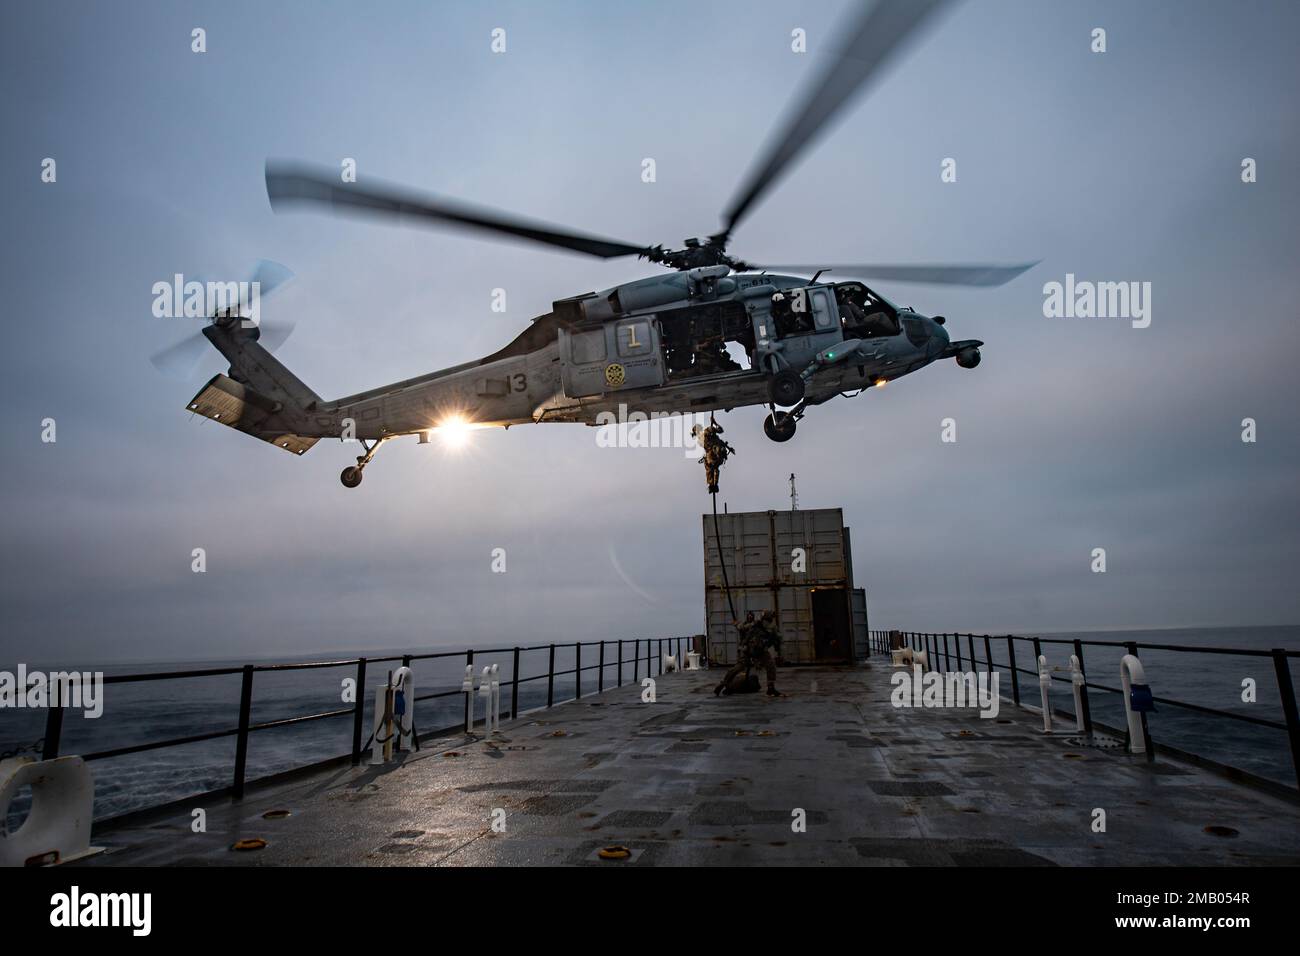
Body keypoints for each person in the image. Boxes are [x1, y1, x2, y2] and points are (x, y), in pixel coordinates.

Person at [714, 612, 757, 696]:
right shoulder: (747, 625)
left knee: (743, 669)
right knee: (739, 668)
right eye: (749, 617)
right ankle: (725, 685)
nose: (750, 618)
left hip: (752, 651)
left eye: (751, 617)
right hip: (746, 651)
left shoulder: (752, 625)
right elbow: (742, 628)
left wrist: (736, 624)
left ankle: (727, 685)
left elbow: (742, 628)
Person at [693, 420, 735, 494]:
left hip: (716, 451)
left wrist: (714, 424)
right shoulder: (700, 440)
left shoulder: (707, 431)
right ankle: (713, 485)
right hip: (712, 456)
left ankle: (713, 485)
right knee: (711, 468)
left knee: (712, 467)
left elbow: (720, 430)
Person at [751, 609, 783, 696]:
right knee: (740, 667)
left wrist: (777, 645)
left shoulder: (772, 627)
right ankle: (725, 683)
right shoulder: (756, 624)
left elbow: (778, 637)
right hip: (752, 648)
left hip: (761, 649)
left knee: (771, 666)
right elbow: (745, 629)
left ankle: (771, 688)